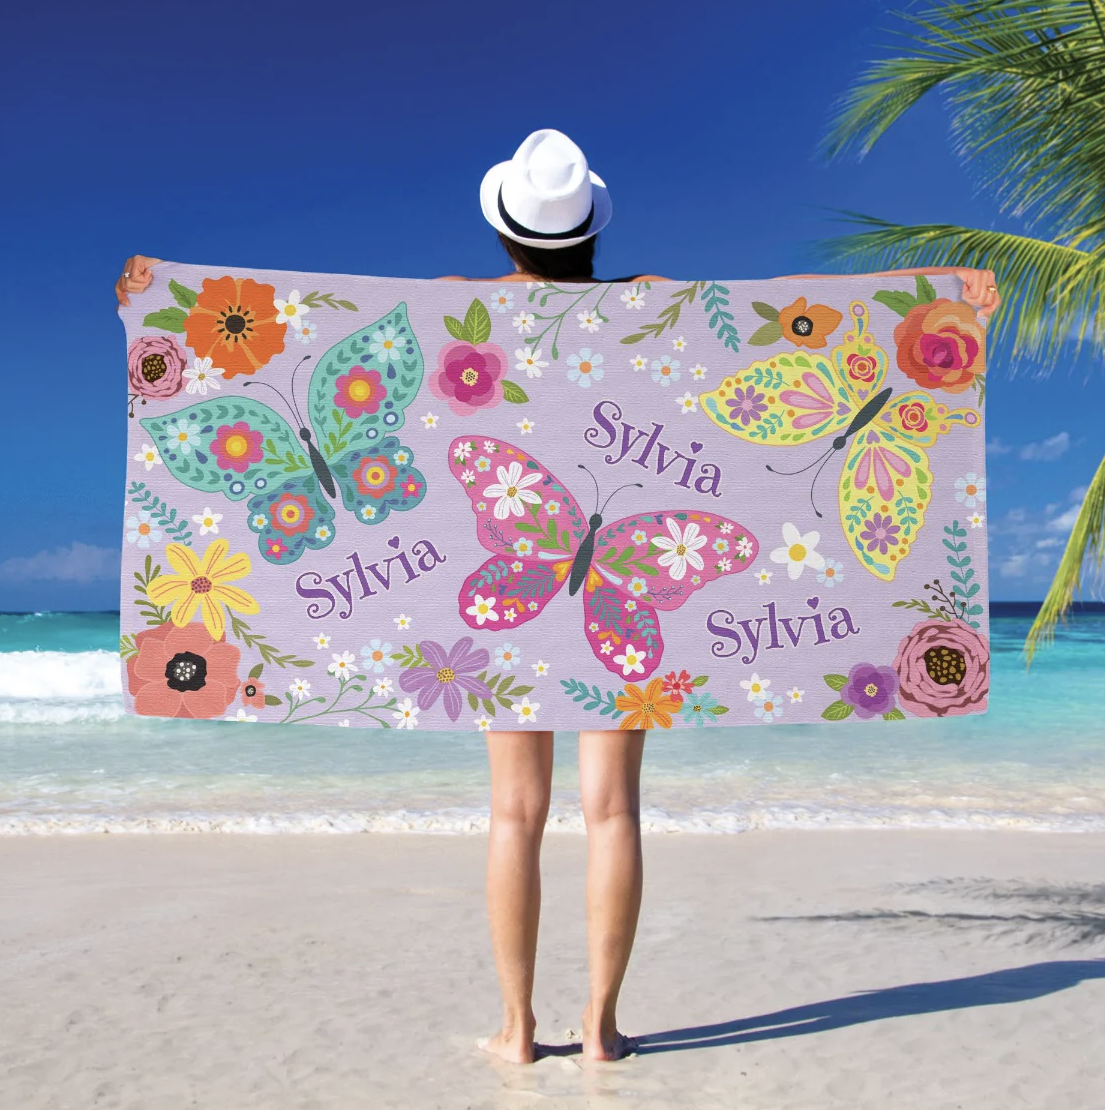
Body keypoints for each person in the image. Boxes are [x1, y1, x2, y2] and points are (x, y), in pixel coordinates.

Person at [115, 128, 1000, 1066]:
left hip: (513, 582)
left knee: (514, 814)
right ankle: (605, 1028)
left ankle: (518, 1027)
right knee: (614, 811)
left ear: (505, 231)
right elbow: (762, 317)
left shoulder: (460, 306)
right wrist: (957, 301)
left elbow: (332, 321)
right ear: (591, 232)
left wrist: (152, 300)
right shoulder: (646, 301)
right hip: (623, 591)